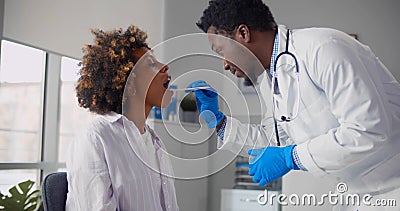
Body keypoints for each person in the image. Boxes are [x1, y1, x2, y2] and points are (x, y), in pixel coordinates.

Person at [190, 0, 400, 210]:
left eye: (220, 51)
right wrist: (220, 123)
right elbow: (276, 141)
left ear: (243, 33)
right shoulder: (269, 79)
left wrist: (290, 157)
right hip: (356, 195)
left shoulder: (323, 48)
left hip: (393, 188)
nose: (224, 64)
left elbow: (368, 129)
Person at [66, 25, 178, 211]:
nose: (164, 66)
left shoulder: (154, 141)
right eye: (150, 64)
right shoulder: (95, 139)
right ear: (128, 82)